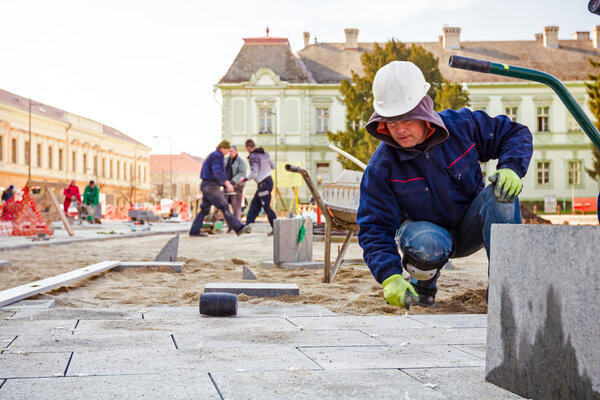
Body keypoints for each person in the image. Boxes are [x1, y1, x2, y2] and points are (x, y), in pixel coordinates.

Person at [357, 61, 533, 309]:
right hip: (427, 238)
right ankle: (423, 287)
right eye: (391, 121)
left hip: (472, 224)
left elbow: (515, 133)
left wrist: (511, 168)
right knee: (427, 242)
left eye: (406, 118)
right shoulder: (382, 166)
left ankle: (508, 289)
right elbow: (374, 226)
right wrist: (390, 276)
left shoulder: (461, 127)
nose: (399, 129)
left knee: (501, 195)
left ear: (423, 109)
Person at [189, 140, 251, 237]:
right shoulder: (217, 156)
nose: (227, 152)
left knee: (205, 209)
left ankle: (194, 230)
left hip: (206, 185)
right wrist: (226, 183)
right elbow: (217, 172)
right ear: (222, 148)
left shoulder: (213, 155)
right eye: (227, 150)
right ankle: (239, 228)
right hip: (211, 186)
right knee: (224, 206)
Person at [240, 139, 277, 232]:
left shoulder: (253, 157)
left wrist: (244, 179)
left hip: (263, 184)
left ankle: (277, 228)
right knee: (254, 204)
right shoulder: (265, 154)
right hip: (268, 181)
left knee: (266, 207)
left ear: (248, 147)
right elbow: (273, 166)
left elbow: (254, 173)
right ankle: (247, 226)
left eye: (246, 148)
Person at [224, 145, 247, 232]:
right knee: (224, 206)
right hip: (226, 186)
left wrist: (233, 182)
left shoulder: (240, 162)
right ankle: (229, 226)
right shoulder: (225, 160)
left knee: (236, 207)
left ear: (236, 151)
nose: (230, 153)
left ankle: (237, 226)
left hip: (237, 186)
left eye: (232, 151)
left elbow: (242, 173)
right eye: (229, 151)